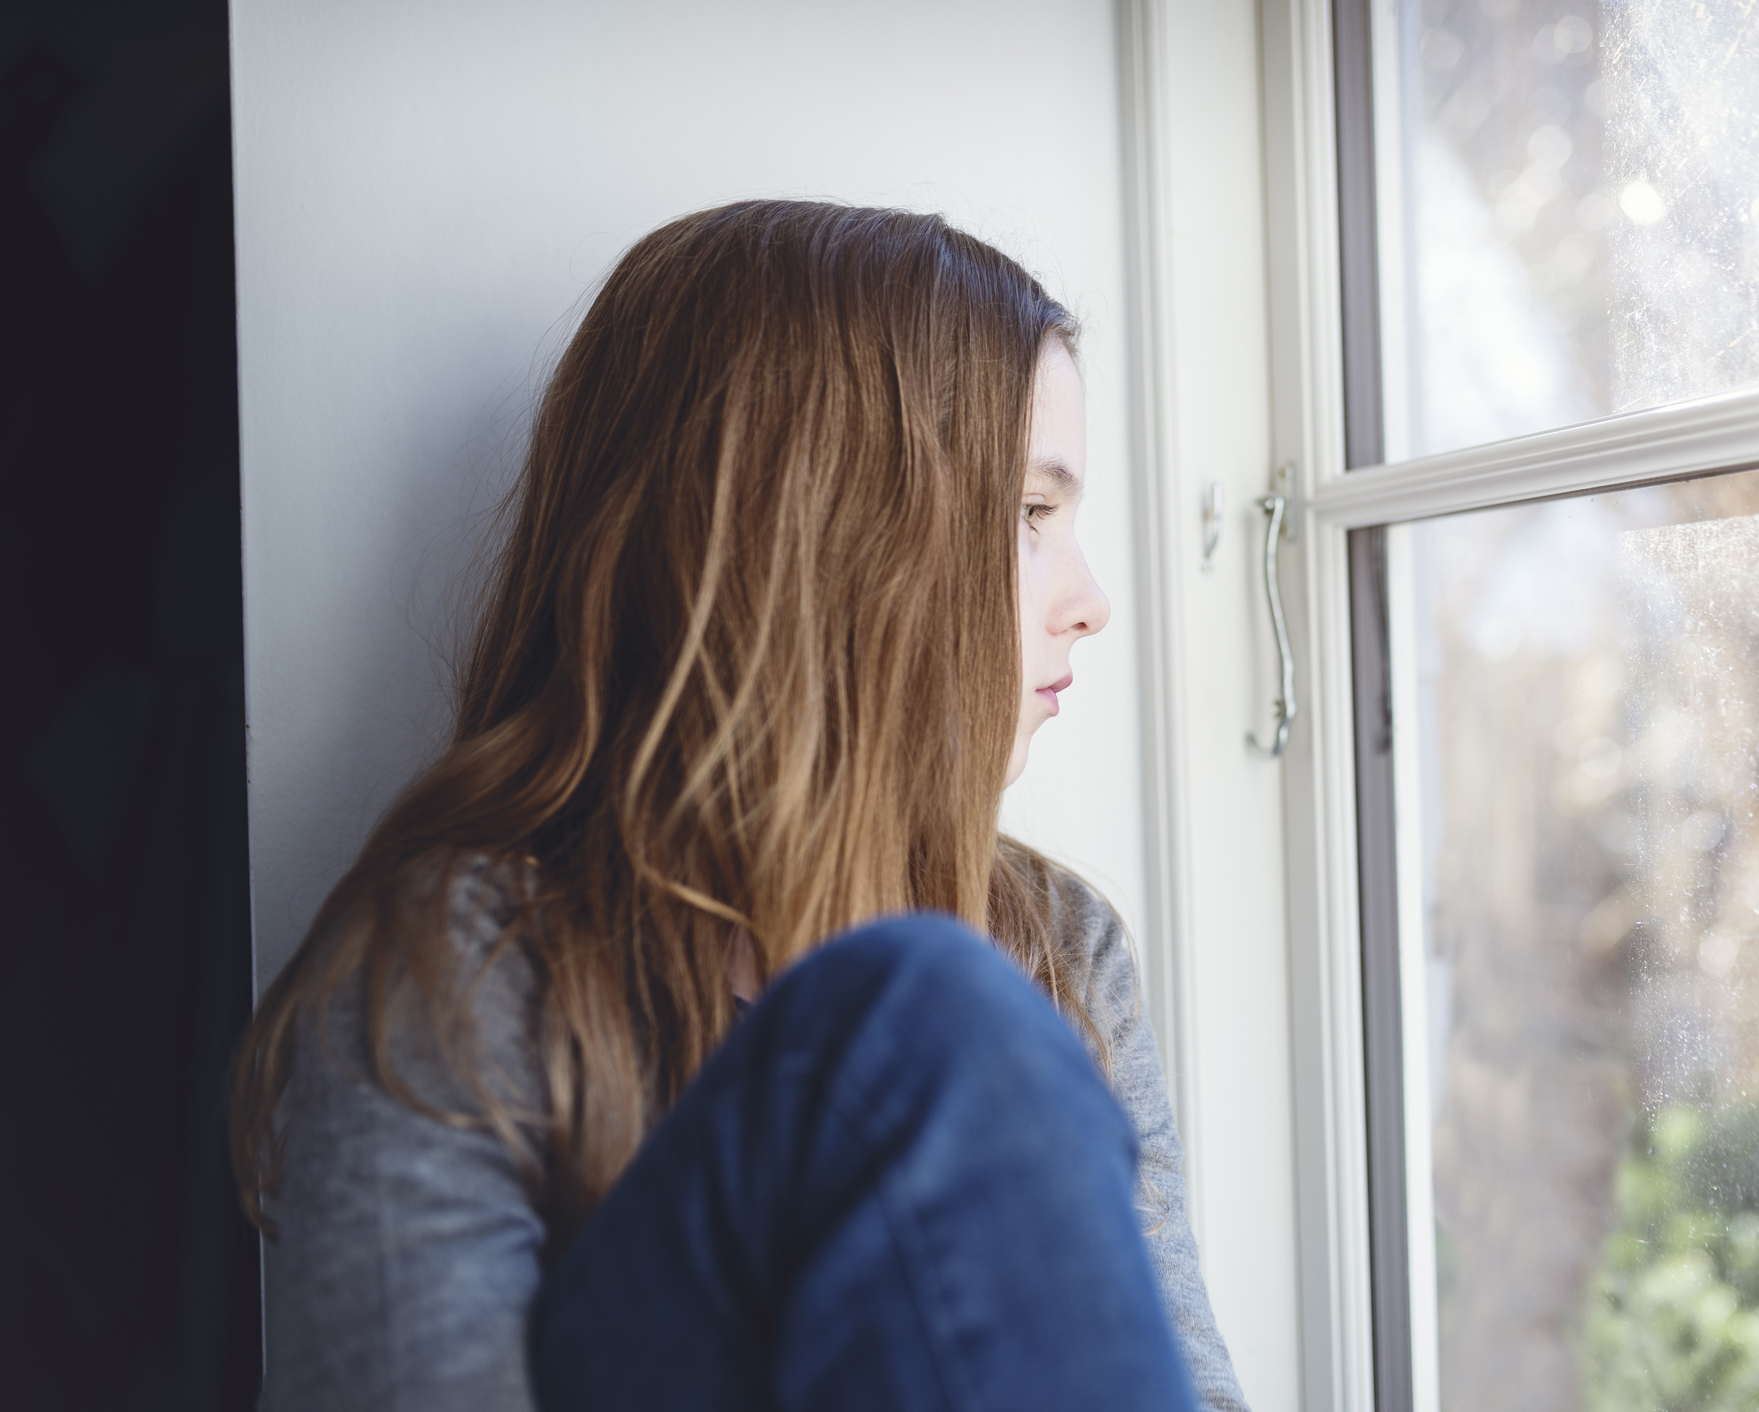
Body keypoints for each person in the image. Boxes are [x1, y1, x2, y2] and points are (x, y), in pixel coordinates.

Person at [228, 200, 1250, 1412]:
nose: (1088, 599)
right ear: (822, 532)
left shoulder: (1057, 944)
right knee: (922, 1005)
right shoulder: (464, 964)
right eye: (1030, 515)